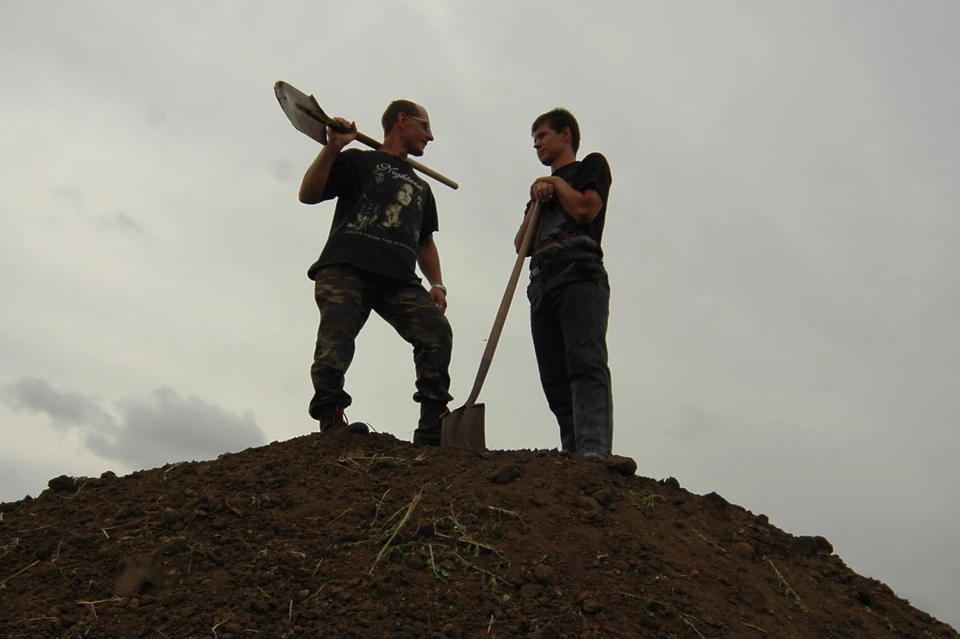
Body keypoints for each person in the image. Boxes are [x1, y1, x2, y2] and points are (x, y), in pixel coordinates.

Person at [298, 100, 453, 445]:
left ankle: (433, 424)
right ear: (402, 121)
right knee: (335, 340)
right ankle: (331, 416)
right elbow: (308, 194)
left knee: (435, 330)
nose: (430, 135)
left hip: (398, 277)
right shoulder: (358, 161)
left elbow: (424, 241)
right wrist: (333, 147)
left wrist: (438, 283)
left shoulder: (422, 188)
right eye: (425, 126)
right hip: (348, 265)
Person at [514, 108, 614, 460]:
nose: (537, 144)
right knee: (554, 376)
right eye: (535, 139)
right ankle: (572, 452)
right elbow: (520, 246)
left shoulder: (591, 166)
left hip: (579, 272)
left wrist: (556, 183)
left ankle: (593, 450)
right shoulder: (539, 193)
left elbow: (586, 210)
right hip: (541, 280)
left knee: (585, 362)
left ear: (565, 134)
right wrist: (535, 202)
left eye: (542, 135)